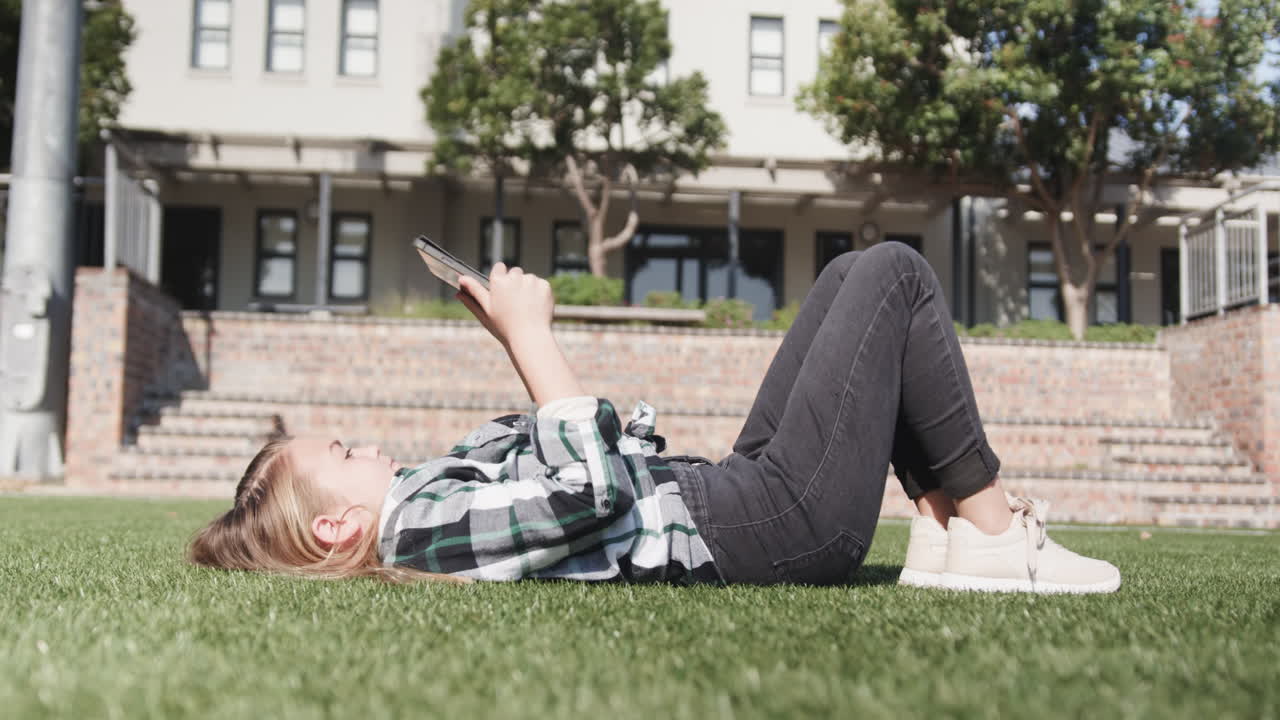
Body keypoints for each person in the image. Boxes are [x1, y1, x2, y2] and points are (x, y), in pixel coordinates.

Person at [189, 242, 1120, 593]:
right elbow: (586, 489)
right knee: (895, 276)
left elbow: (558, 459)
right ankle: (997, 534)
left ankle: (947, 538)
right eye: (345, 452)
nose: (367, 444)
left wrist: (504, 334)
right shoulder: (418, 530)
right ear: (336, 523)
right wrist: (528, 342)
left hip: (730, 496)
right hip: (762, 529)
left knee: (846, 276)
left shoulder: (423, 503)